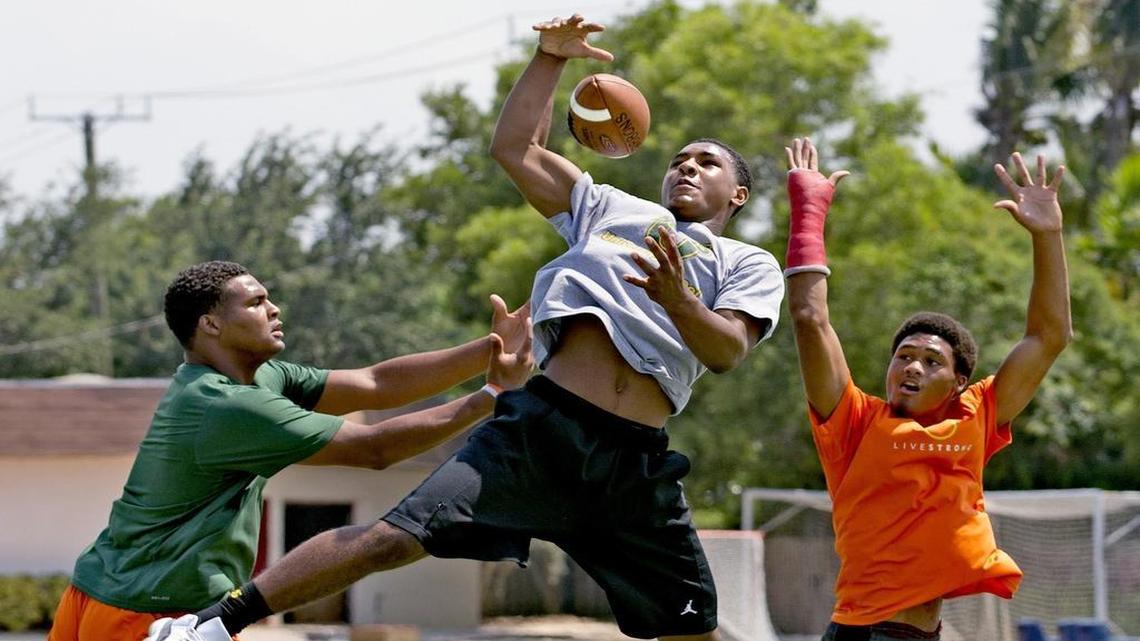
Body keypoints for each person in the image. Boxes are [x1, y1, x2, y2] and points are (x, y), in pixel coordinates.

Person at [150, 13, 785, 641]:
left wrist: (678, 300)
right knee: (391, 539)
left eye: (707, 163)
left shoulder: (748, 263)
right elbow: (514, 149)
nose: (687, 167)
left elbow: (726, 350)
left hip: (631, 461)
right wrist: (551, 58)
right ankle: (211, 625)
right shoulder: (612, 209)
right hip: (541, 428)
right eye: (679, 159)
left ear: (737, 194)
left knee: (691, 629)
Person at [45, 259, 533, 641]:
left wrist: (491, 348)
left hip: (98, 595)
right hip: (152, 612)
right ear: (211, 324)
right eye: (256, 302)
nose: (274, 308)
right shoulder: (228, 405)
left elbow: (374, 382)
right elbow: (374, 449)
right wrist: (491, 398)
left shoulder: (256, 378)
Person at [782, 138, 1071, 640]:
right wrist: (809, 213)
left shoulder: (977, 413)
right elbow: (810, 319)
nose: (911, 366)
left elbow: (1049, 337)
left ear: (959, 381)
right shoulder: (855, 422)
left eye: (931, 360)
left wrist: (1048, 235)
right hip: (864, 632)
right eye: (904, 356)